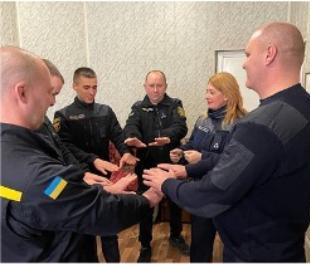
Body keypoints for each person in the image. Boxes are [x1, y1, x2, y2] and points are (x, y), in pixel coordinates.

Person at [143, 22, 310, 262]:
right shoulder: (301, 103)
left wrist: (166, 183)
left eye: (248, 54)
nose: (244, 63)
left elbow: (212, 194)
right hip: (283, 246)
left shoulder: (258, 125)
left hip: (256, 254)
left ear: (269, 54)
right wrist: (186, 168)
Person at [0, 46, 163, 262]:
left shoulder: (34, 169)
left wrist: (93, 186)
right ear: (22, 92)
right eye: (49, 92)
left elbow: (55, 192)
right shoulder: (42, 179)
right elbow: (94, 210)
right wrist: (147, 200)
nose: (52, 101)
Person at [54, 67, 137, 262]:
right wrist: (91, 160)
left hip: (106, 176)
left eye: (95, 87)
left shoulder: (105, 111)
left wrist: (125, 152)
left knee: (109, 228)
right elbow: (65, 148)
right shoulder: (63, 115)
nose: (91, 92)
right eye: (86, 87)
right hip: (80, 177)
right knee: (85, 232)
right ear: (75, 86)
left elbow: (118, 134)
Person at [169, 72, 246, 262]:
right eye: (206, 91)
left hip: (230, 196)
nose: (206, 96)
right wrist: (180, 151)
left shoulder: (242, 124)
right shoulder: (202, 120)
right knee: (200, 247)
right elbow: (191, 145)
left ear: (227, 94)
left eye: (211, 92)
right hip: (202, 192)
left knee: (234, 248)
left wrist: (201, 157)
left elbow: (236, 162)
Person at [123, 70, 189, 262]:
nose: (155, 90)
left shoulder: (175, 104)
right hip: (147, 166)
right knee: (146, 206)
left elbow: (181, 126)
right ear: (145, 87)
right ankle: (145, 244)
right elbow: (130, 126)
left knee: (175, 203)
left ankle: (176, 236)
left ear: (165, 86)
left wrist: (168, 136)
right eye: (151, 86)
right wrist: (133, 137)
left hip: (171, 165)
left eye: (159, 85)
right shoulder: (138, 107)